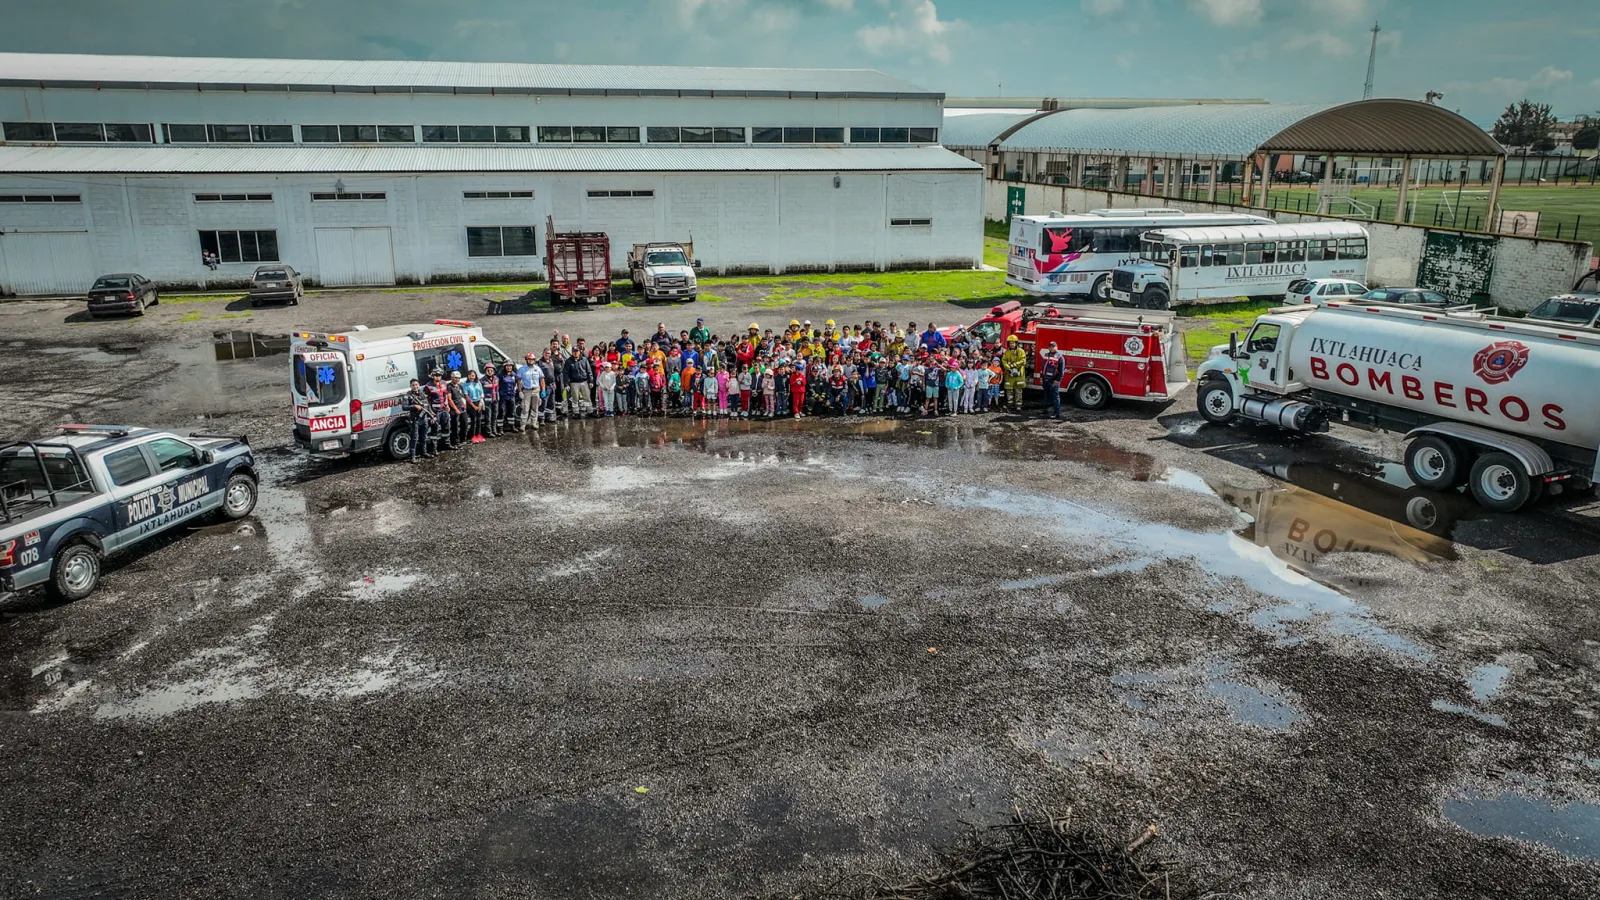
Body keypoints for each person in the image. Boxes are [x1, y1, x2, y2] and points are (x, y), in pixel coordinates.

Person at [400, 378, 433, 462]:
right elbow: (404, 407)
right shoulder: (408, 395)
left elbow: (427, 405)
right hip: (415, 419)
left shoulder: (422, 393)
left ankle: (424, 452)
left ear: (419, 385)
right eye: (413, 385)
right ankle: (412, 456)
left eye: (416, 385)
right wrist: (414, 406)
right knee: (414, 437)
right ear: (410, 386)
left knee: (424, 436)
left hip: (424, 418)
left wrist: (432, 414)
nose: (415, 386)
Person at [425, 371, 454, 452]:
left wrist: (447, 405)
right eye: (436, 375)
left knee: (446, 428)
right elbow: (427, 402)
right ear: (432, 376)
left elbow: (445, 395)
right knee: (434, 429)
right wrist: (430, 413)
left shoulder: (444, 383)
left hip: (444, 410)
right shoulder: (428, 386)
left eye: (439, 375)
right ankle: (434, 449)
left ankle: (447, 444)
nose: (438, 377)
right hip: (435, 412)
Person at [563, 347, 594, 417]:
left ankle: (590, 411)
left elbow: (589, 371)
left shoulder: (584, 359)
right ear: (572, 352)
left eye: (577, 351)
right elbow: (565, 374)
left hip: (584, 382)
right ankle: (576, 413)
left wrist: (590, 381)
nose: (575, 352)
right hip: (574, 383)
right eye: (574, 351)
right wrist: (566, 384)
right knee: (575, 399)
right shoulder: (568, 361)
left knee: (587, 398)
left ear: (579, 352)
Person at [1001, 336, 1028, 411]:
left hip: (1019, 374)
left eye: (1013, 343)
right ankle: (1010, 404)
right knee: (1009, 390)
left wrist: (1013, 365)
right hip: (1009, 374)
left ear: (1016, 343)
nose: (1012, 344)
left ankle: (1018, 405)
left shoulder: (1021, 351)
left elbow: (1023, 361)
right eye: (1010, 343)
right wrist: (1007, 366)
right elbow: (1004, 361)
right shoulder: (1007, 352)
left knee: (1018, 390)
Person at [1039, 343, 1065, 420]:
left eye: (1053, 347)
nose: (1051, 348)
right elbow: (1043, 367)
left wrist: (1058, 380)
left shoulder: (1060, 357)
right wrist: (1041, 377)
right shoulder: (1046, 355)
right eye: (1050, 347)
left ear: (1057, 347)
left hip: (1053, 380)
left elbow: (1061, 371)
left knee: (1055, 397)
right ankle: (1045, 410)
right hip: (1045, 379)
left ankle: (1057, 413)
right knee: (1046, 395)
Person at [517, 354, 543, 428]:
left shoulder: (538, 369)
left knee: (535, 408)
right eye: (529, 359)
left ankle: (534, 423)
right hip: (526, 391)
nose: (530, 361)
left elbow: (542, 379)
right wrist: (520, 391)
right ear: (526, 360)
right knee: (525, 408)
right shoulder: (522, 369)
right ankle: (522, 425)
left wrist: (543, 390)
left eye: (532, 360)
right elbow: (518, 381)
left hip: (536, 390)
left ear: (534, 360)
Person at [463, 369, 486, 442]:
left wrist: (480, 404)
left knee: (479, 420)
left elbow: (481, 393)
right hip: (471, 404)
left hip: (478, 402)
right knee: (474, 420)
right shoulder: (465, 384)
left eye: (472, 375)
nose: (471, 377)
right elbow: (466, 396)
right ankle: (472, 435)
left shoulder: (478, 383)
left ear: (475, 376)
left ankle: (478, 434)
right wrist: (474, 406)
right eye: (469, 375)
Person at [499, 362, 521, 432]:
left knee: (512, 412)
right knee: (502, 412)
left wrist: (518, 390)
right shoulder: (501, 374)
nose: (509, 367)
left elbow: (518, 382)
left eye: (510, 366)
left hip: (511, 396)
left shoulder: (514, 374)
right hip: (503, 396)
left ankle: (512, 426)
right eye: (507, 366)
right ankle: (500, 428)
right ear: (505, 367)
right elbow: (496, 382)